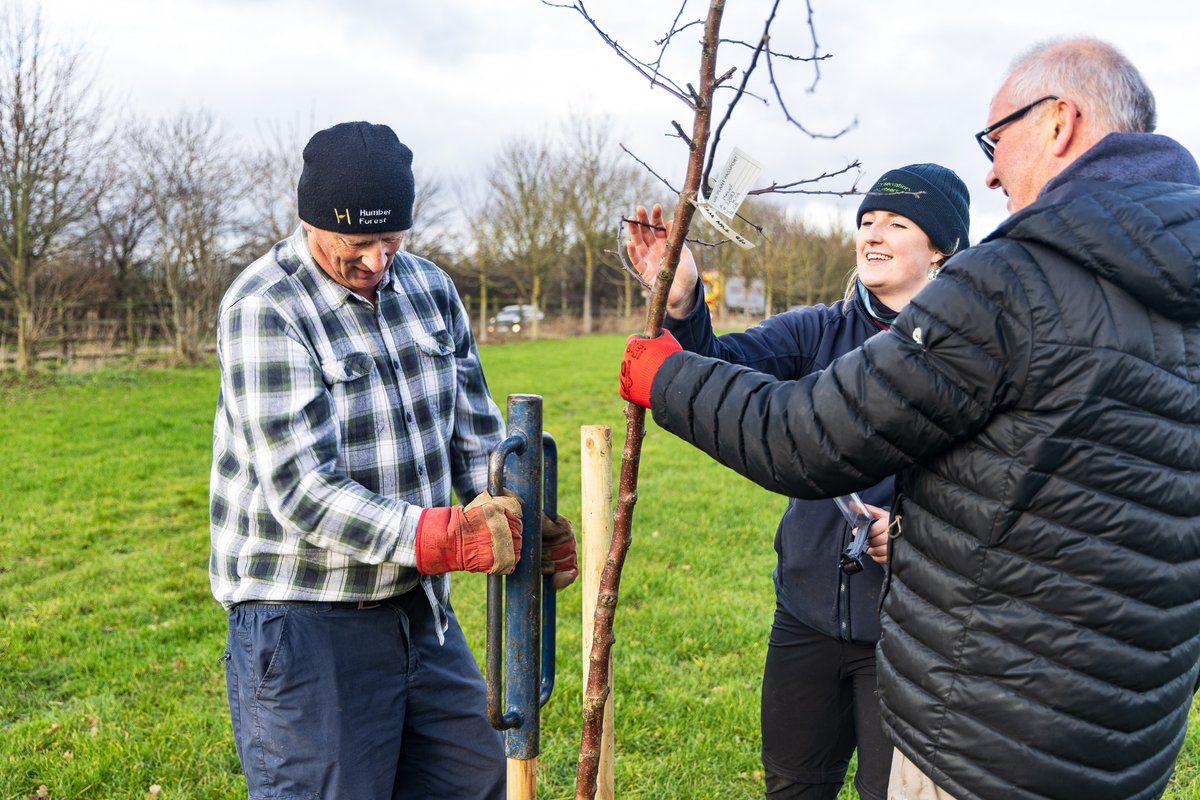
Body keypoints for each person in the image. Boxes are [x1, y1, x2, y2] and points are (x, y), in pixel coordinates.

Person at [619, 37, 1200, 800]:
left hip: (976, 726)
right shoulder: (1160, 289)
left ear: (1060, 122)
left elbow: (807, 435)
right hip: (1117, 741)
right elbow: (1065, 502)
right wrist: (684, 307)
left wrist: (664, 379)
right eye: (869, 219)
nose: (992, 168)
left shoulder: (1014, 287)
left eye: (996, 140)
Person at [209, 120, 577, 800]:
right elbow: (301, 488)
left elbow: (475, 438)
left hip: (418, 613)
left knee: (478, 782)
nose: (379, 260)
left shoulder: (430, 290)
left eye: (393, 238)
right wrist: (438, 536)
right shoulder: (266, 307)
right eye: (359, 242)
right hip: (305, 621)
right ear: (309, 220)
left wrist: (526, 515)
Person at [625, 161, 970, 800]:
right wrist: (679, 302)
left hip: (909, 635)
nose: (874, 234)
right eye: (867, 221)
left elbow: (993, 485)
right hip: (805, 617)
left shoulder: (968, 355)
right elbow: (718, 373)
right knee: (792, 786)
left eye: (897, 223)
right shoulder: (818, 331)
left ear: (942, 250)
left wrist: (915, 537)